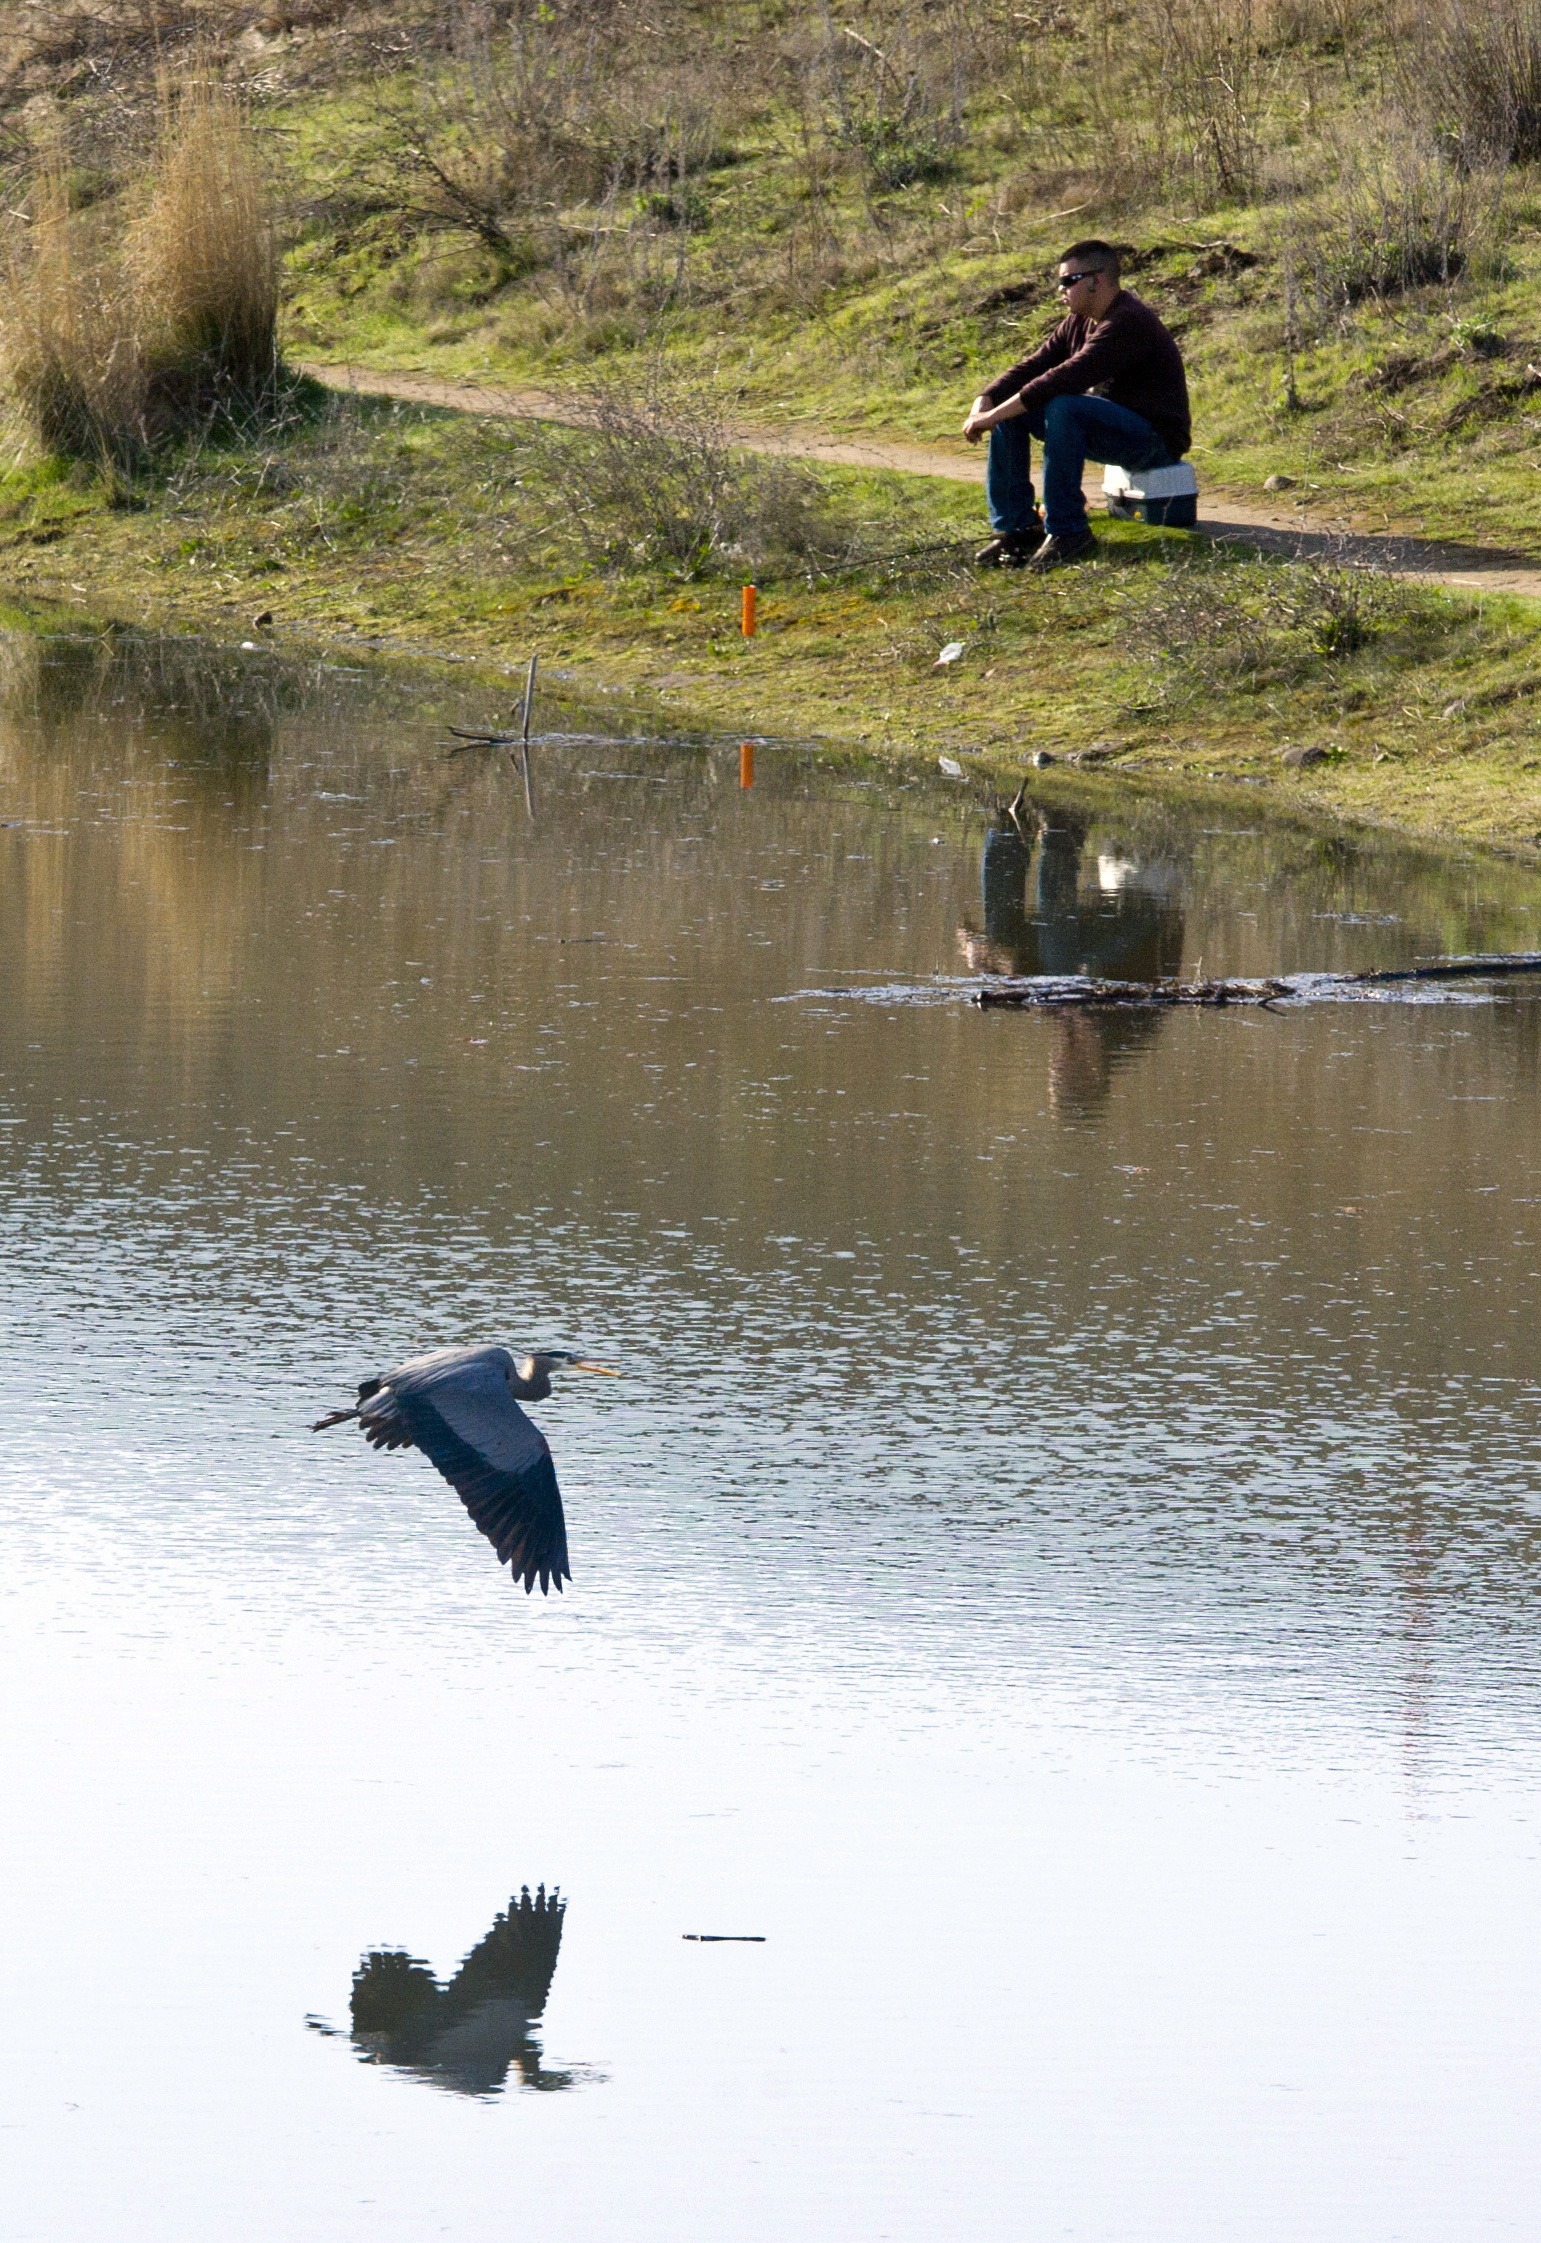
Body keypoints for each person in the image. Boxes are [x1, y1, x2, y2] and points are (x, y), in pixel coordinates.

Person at [962, 240, 1191, 571]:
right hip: (1113, 429)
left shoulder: (1127, 322)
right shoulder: (1078, 321)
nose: (1061, 289)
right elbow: (1033, 366)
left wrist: (992, 415)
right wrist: (986, 400)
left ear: (1096, 281)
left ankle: (1069, 530)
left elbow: (1065, 377)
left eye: (1068, 280)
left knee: (1063, 405)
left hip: (1156, 441)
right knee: (1015, 413)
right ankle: (1018, 529)